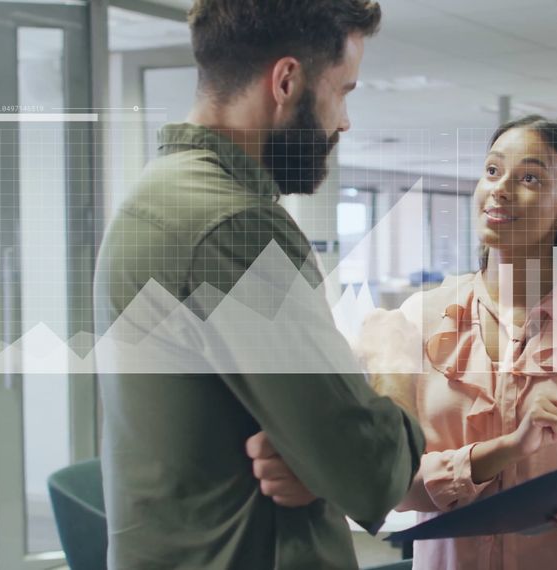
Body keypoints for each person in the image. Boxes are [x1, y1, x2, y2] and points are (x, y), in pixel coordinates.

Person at [249, 116, 557, 569]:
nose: (501, 188)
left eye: (530, 178)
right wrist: (510, 448)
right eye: (493, 171)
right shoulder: (420, 317)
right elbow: (397, 485)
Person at [93, 1, 426, 568]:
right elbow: (371, 470)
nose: (343, 121)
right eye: (343, 91)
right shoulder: (236, 227)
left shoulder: (156, 196)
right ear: (287, 80)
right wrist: (395, 365)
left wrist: (315, 451)